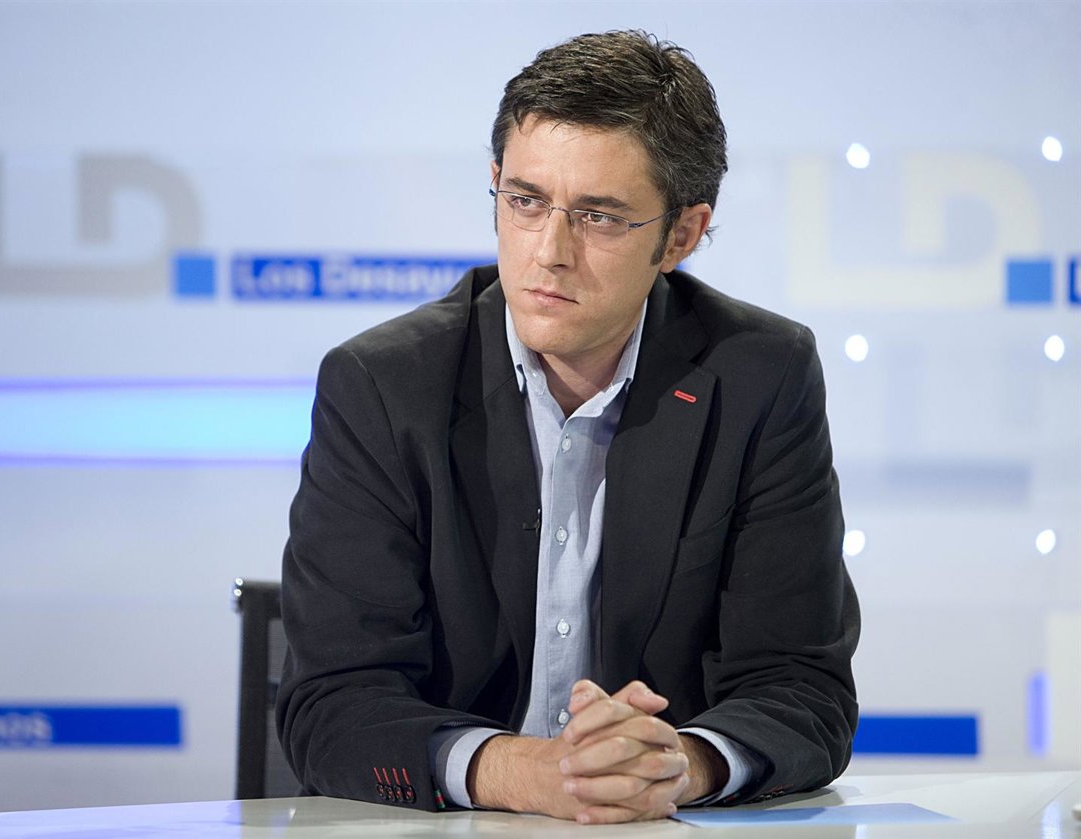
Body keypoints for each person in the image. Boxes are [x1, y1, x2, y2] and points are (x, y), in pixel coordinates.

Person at [276, 29, 859, 825]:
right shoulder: (382, 386)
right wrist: (524, 772)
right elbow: (331, 705)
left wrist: (676, 763)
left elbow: (800, 686)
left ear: (681, 235)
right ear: (495, 186)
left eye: (598, 216)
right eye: (525, 201)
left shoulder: (762, 376)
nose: (549, 251)